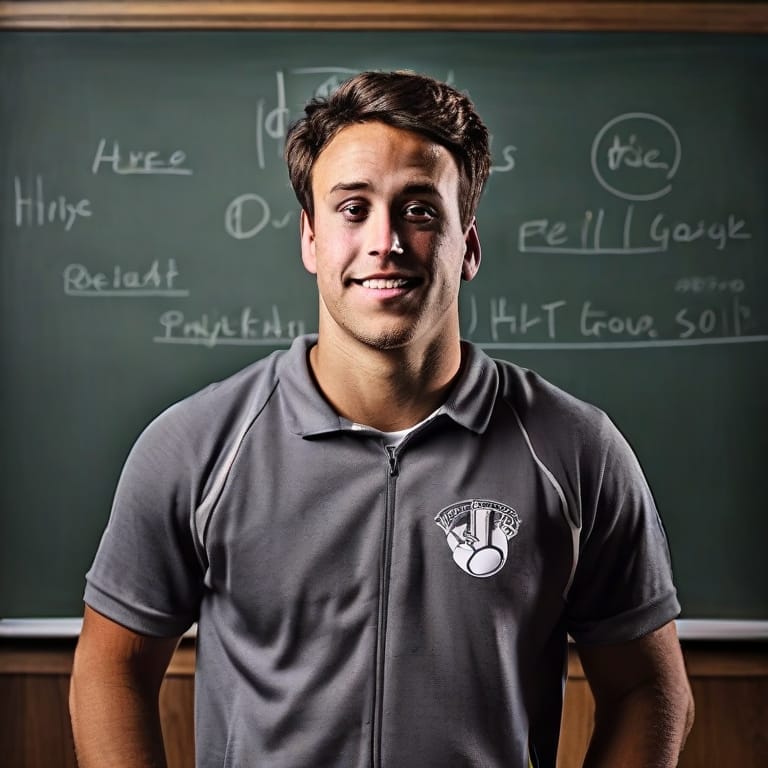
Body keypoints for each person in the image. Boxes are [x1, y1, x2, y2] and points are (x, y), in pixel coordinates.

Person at [69, 70, 694, 768]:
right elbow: (110, 671)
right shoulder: (195, 447)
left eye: (421, 211)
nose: (386, 241)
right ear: (310, 238)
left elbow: (647, 688)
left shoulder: (577, 451)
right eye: (352, 209)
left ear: (470, 244)